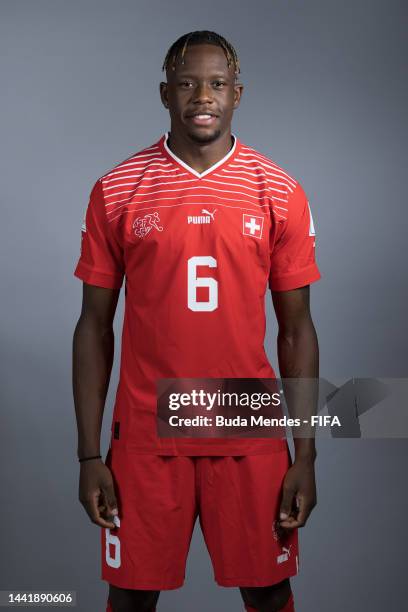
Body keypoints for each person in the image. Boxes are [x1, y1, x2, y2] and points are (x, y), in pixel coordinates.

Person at [72, 30, 320, 612]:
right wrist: (88, 455)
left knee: (268, 591)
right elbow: (93, 327)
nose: (201, 96)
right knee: (131, 597)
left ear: (238, 93)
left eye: (216, 84)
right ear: (165, 93)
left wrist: (305, 454)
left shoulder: (278, 191)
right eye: (186, 84)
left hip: (247, 424)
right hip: (145, 432)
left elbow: (297, 330)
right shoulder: (117, 189)